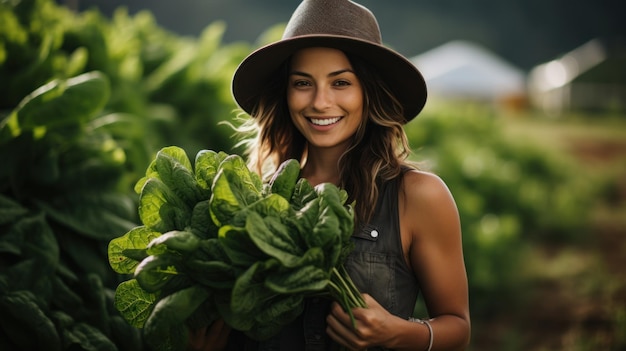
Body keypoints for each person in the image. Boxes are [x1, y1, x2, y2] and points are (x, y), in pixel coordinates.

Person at [189, 0, 470, 350]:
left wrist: (397, 332)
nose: (320, 102)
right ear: (286, 93)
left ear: (369, 91)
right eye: (303, 83)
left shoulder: (418, 196)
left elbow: (457, 327)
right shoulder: (257, 198)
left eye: (340, 83)